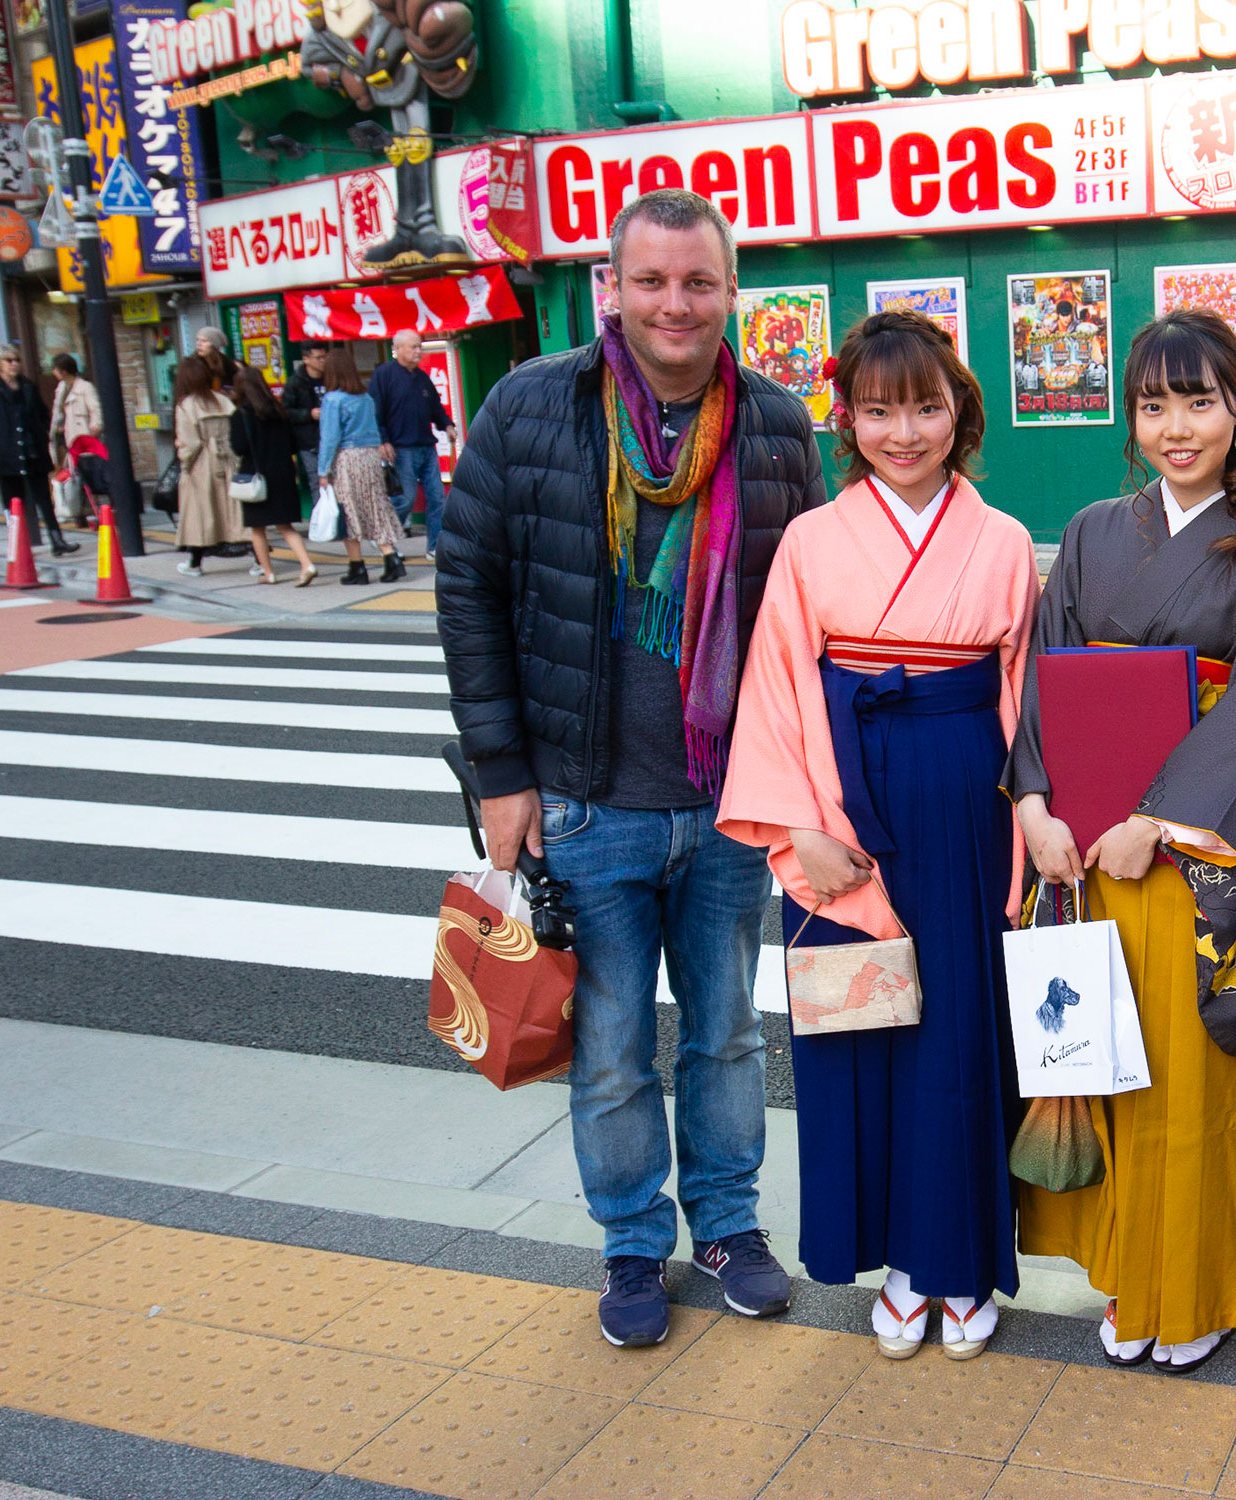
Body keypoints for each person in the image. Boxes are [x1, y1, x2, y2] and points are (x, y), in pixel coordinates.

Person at [439, 188, 826, 1349]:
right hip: (579, 799)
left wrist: (811, 784)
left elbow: (807, 616)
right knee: (606, 1045)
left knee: (724, 1031)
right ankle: (628, 1242)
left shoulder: (774, 426)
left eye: (698, 282)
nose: (674, 303)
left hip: (727, 804)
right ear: (612, 287)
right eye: (650, 281)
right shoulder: (531, 408)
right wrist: (501, 774)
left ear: (729, 293)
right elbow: (469, 591)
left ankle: (728, 1224)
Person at [719, 309, 1038, 1363]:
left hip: (964, 798)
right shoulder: (814, 540)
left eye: (926, 407)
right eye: (878, 410)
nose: (903, 432)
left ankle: (962, 1262)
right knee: (862, 1033)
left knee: (957, 1032)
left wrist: (1029, 825)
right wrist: (802, 827)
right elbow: (775, 685)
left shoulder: (998, 540)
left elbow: (1024, 693)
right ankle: (898, 1266)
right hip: (837, 794)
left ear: (959, 412)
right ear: (846, 421)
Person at [1009, 310, 1236, 1374]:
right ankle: (1135, 1276)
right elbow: (1048, 674)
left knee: (1195, 1084)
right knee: (1108, 1070)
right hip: (1086, 850)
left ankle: (1199, 1292)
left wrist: (1154, 820)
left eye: (1199, 401)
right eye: (1153, 404)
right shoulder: (1094, 532)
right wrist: (1035, 803)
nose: (1176, 426)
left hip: (1198, 860)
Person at [317, 350, 406, 584]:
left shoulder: (333, 400)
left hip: (347, 459)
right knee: (375, 507)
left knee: (348, 511)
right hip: (370, 457)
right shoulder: (366, 398)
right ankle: (391, 558)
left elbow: (329, 438)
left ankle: (357, 568)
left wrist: (323, 470)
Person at [230, 366, 317, 587]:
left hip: (256, 476)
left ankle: (268, 572)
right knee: (285, 526)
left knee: (257, 528)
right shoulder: (279, 411)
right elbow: (293, 444)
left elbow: (238, 448)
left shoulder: (241, 415)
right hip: (283, 473)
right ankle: (306, 564)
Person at [370, 329, 457, 553]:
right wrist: (383, 441)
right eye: (413, 347)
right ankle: (384, 536)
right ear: (398, 349)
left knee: (437, 498)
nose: (418, 351)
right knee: (406, 499)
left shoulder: (422, 377)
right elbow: (375, 412)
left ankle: (435, 546)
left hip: (426, 446)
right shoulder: (384, 375)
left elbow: (435, 408)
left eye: (419, 346)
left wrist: (447, 425)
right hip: (400, 448)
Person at [0, 344, 66, 554]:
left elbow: (42, 414)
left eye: (17, 360)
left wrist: (44, 432)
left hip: (32, 449)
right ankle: (17, 543)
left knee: (44, 497)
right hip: (6, 451)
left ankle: (57, 540)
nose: (14, 364)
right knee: (13, 501)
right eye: (9, 360)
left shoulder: (27, 386)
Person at [172, 354, 246, 576]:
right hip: (228, 459)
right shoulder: (223, 400)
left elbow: (190, 443)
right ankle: (258, 558)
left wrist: (184, 462)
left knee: (200, 514)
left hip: (201, 464)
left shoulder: (186, 406)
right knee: (235, 512)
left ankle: (194, 562)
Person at [48, 353, 103, 530]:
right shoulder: (61, 388)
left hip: (85, 438)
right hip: (70, 437)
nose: (53, 372)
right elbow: (58, 414)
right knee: (75, 478)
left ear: (63, 371)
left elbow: (95, 408)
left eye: (55, 369)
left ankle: (97, 512)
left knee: (89, 477)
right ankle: (79, 513)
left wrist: (96, 425)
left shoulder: (85, 387)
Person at [282, 343, 330, 498]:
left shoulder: (331, 378)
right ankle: (321, 520)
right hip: (309, 440)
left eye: (324, 357)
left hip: (332, 438)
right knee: (317, 483)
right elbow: (286, 411)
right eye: (318, 358)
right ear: (306, 359)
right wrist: (309, 414)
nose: (322, 361)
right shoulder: (295, 382)